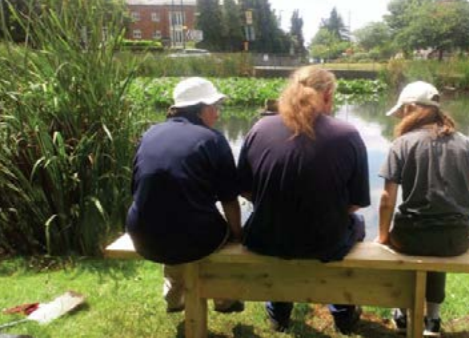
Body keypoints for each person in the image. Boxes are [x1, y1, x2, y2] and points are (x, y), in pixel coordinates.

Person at [237, 65, 370, 334]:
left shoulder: (260, 128)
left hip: (265, 238)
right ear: (328, 95)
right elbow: (355, 202)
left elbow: (245, 190)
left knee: (280, 222)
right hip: (324, 243)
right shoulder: (347, 134)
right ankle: (343, 312)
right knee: (353, 223)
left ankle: (278, 314)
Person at [376, 81, 469, 337]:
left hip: (411, 238)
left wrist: (383, 235)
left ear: (412, 109)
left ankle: (401, 313)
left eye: (403, 111)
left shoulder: (402, 144)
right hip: (456, 240)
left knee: (401, 244)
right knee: (439, 238)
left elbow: (387, 200)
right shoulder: (464, 144)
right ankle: (433, 320)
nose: (401, 117)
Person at [126, 77, 243, 314]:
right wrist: (237, 235)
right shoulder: (213, 140)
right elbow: (230, 199)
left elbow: (135, 188)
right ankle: (224, 298)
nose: (218, 115)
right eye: (215, 108)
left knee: (174, 218)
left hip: (143, 236)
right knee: (213, 230)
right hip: (193, 238)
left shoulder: (150, 134)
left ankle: (173, 295)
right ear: (202, 110)